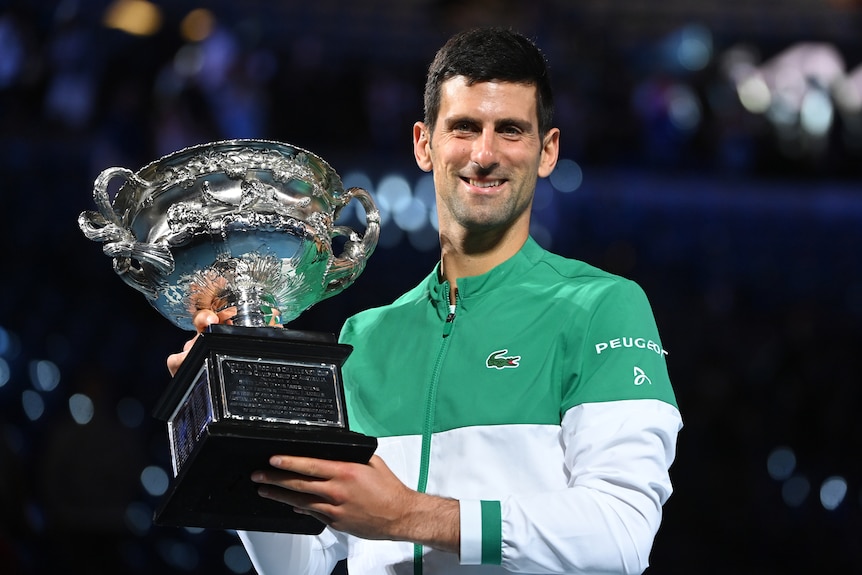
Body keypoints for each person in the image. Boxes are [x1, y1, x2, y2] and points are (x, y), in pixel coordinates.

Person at [168, 26, 682, 575]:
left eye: (510, 130)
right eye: (464, 127)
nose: (484, 154)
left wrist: (408, 516)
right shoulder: (362, 339)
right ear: (424, 144)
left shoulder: (602, 306)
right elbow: (301, 564)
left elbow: (621, 533)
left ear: (547, 150)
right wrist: (239, 402)